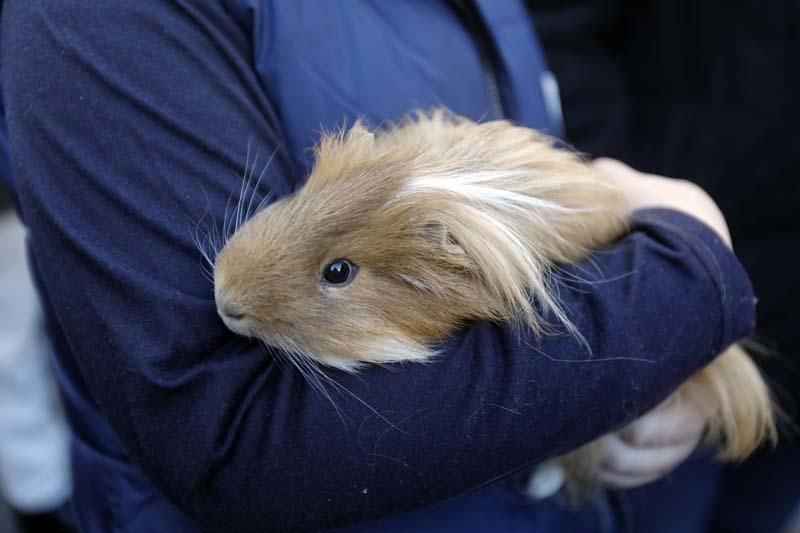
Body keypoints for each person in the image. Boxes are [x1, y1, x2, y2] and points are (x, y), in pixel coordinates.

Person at [0, 2, 757, 531]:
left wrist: (663, 379)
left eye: (335, 276)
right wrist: (684, 275)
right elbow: (233, 439)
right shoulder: (98, 21)